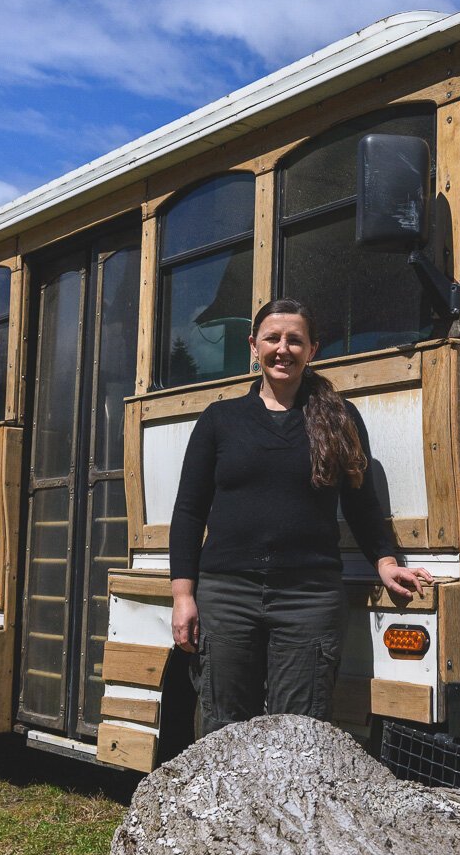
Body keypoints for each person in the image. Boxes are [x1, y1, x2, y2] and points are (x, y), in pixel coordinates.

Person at [169, 297, 431, 737]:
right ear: (254, 346)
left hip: (308, 598)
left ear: (313, 350)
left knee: (301, 733)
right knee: (224, 728)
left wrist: (386, 562)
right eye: (272, 338)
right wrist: (183, 596)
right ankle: (231, 809)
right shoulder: (220, 420)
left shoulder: (339, 417)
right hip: (228, 594)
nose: (282, 349)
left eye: (295, 340)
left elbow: (361, 502)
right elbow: (189, 512)